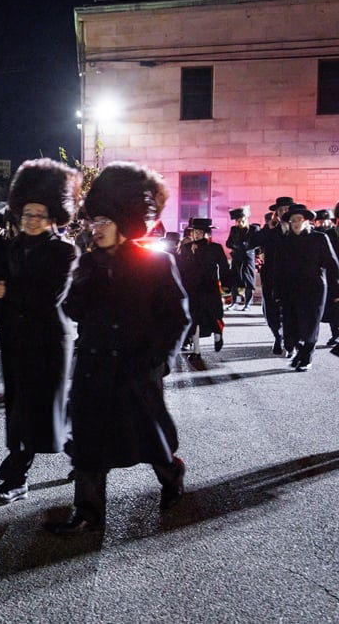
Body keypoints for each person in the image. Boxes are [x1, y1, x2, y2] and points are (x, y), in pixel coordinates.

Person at [46, 162, 189, 535]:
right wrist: (78, 278)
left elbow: (178, 317)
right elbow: (72, 310)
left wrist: (159, 360)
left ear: (124, 225)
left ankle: (171, 473)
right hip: (94, 366)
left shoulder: (157, 263)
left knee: (149, 438)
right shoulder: (89, 263)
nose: (95, 228)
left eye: (103, 222)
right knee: (89, 441)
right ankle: (88, 512)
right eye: (93, 222)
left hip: (137, 369)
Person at [0, 159, 80, 505]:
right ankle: (78, 454)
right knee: (28, 409)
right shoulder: (5, 248)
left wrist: (7, 291)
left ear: (53, 216)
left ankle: (15, 477)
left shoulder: (65, 251)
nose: (32, 220)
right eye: (27, 214)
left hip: (49, 342)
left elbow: (49, 296)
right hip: (13, 340)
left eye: (39, 214)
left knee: (39, 409)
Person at [274, 204, 339, 371]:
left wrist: (336, 288)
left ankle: (306, 358)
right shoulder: (285, 242)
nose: (296, 223)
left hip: (314, 290)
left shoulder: (319, 238)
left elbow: (332, 265)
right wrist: (277, 290)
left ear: (307, 221)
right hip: (291, 289)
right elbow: (279, 268)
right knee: (291, 325)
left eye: (299, 219)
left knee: (310, 325)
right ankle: (299, 352)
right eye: (293, 220)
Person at [177, 217, 230, 355]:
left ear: (207, 233)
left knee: (214, 315)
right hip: (192, 288)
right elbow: (181, 268)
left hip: (210, 286)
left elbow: (224, 267)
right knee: (194, 319)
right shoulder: (187, 248)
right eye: (195, 232)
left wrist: (226, 284)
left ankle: (218, 335)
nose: (196, 234)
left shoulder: (215, 248)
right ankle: (196, 350)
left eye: (200, 232)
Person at [251, 197, 294, 355]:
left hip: (291, 277)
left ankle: (290, 343)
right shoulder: (270, 230)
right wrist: (267, 228)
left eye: (287, 209)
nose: (284, 212)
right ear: (276, 212)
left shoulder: (298, 230)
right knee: (271, 309)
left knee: (290, 309)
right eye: (281, 210)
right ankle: (277, 335)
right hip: (271, 276)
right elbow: (253, 242)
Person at [225, 206, 259, 311]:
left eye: (242, 221)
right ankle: (234, 303)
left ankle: (247, 304)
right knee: (234, 280)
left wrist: (247, 246)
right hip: (236, 256)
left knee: (248, 281)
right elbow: (228, 242)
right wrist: (234, 246)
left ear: (246, 219)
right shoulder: (234, 229)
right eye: (238, 221)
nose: (240, 223)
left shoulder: (254, 229)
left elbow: (257, 243)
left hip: (248, 257)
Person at [315, 209, 339, 345]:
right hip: (332, 275)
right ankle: (335, 333)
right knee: (334, 306)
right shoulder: (328, 235)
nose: (324, 223)